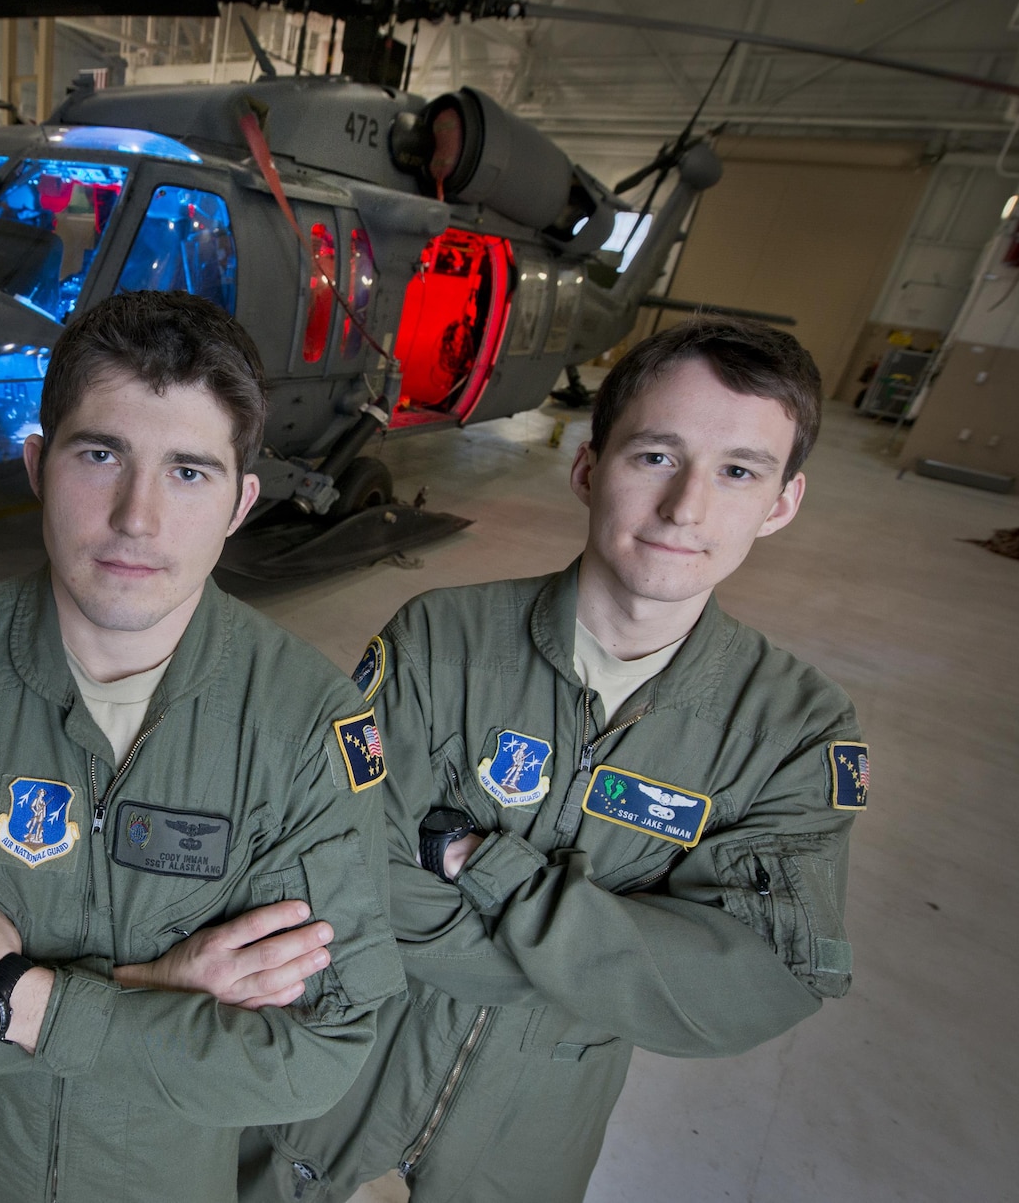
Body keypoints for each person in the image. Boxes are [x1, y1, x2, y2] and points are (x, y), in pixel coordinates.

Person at [243, 316, 869, 1202]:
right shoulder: (439, 641)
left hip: (541, 1106)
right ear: (588, 465)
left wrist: (485, 867)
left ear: (782, 503)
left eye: (738, 471)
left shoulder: (796, 728)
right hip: (344, 1046)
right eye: (655, 456)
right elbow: (337, 869)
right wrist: (601, 963)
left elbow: (758, 979)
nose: (686, 507)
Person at [0, 291, 406, 1203]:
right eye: (101, 455)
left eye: (190, 472)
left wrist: (23, 994)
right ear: (40, 464)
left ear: (242, 502)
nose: (139, 516)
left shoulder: (304, 728)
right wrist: (166, 985)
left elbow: (314, 1054)